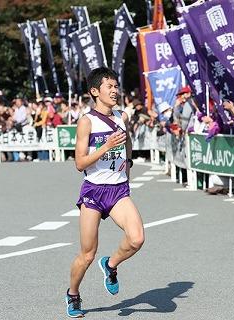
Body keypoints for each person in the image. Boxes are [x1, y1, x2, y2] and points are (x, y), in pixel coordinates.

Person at [65, 67, 145, 318]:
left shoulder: (122, 116)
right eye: (109, 87)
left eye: (116, 86)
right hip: (94, 191)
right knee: (87, 254)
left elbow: (128, 142)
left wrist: (128, 166)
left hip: (118, 190)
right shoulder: (86, 121)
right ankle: (73, 294)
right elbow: (80, 163)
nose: (115, 90)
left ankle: (110, 266)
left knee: (136, 239)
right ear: (94, 91)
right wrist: (106, 147)